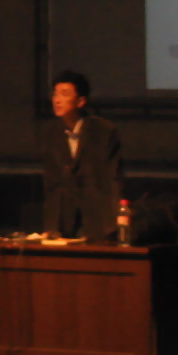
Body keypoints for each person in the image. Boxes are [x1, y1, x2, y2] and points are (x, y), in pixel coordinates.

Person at [40, 70, 124, 240]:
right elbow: (51, 185)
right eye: (55, 94)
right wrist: (51, 227)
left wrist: (112, 224)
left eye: (64, 94)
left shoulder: (103, 131)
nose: (57, 100)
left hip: (97, 218)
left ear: (81, 101)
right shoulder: (51, 133)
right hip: (65, 220)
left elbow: (112, 179)